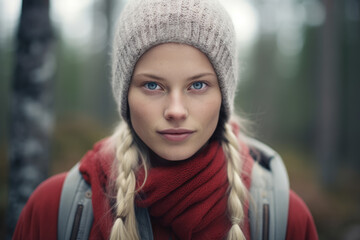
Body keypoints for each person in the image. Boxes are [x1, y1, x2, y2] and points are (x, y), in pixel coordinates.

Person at [13, 0, 318, 239]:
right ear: (125, 96)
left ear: (224, 96)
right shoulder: (54, 210)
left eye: (197, 85)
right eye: (152, 85)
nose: (175, 110)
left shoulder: (284, 220)